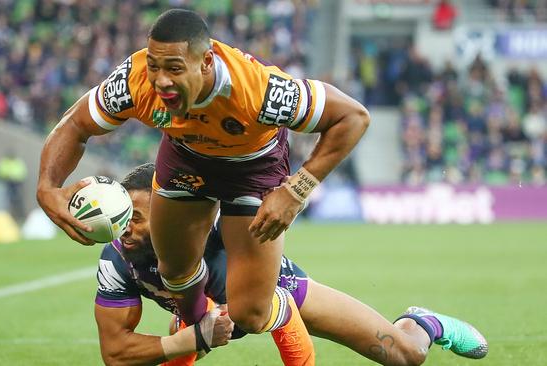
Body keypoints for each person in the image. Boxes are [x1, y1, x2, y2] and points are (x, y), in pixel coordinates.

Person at [38, 8, 366, 364]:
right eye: (154, 66)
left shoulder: (258, 91)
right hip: (186, 161)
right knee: (174, 269)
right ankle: (194, 324)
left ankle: (418, 325)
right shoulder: (134, 81)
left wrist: (296, 190)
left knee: (251, 316)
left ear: (206, 62)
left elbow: (352, 117)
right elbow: (75, 124)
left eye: (174, 68)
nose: (160, 80)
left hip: (251, 171)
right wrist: (47, 186)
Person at [95, 163, 488, 365]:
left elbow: (279, 315)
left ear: (170, 219)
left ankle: (423, 323)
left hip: (279, 291)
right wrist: (193, 336)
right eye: (124, 218)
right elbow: (115, 352)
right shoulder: (116, 260)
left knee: (407, 357)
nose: (126, 230)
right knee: (186, 331)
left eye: (138, 219)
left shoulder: (213, 231)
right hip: (209, 308)